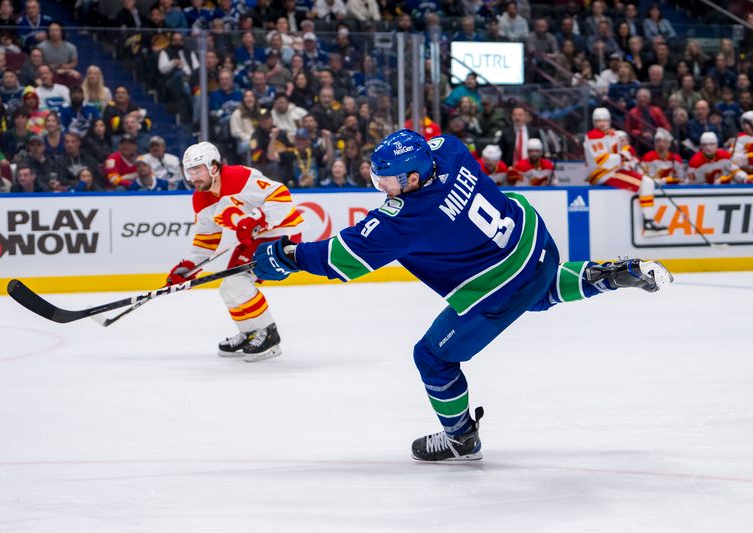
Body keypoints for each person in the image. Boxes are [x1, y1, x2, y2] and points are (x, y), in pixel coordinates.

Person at [251, 129, 674, 462]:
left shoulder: (410, 216)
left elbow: (342, 259)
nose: (381, 185)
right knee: (540, 291)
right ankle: (611, 274)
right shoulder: (448, 149)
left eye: (389, 179)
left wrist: (286, 256)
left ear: (414, 178)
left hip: (502, 278)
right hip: (533, 241)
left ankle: (460, 439)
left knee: (432, 357)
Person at [167, 142, 304, 362]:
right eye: (189, 171)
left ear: (213, 167)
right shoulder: (201, 199)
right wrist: (189, 266)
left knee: (237, 283)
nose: (193, 176)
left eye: (197, 169)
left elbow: (281, 196)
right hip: (254, 239)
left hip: (282, 233)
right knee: (227, 288)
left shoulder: (239, 177)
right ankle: (250, 332)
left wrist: (257, 218)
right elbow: (206, 239)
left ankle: (269, 335)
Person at [584, 108, 668, 236]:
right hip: (602, 174)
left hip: (613, 171)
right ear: (594, 122)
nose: (601, 123)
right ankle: (649, 223)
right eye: (598, 121)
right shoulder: (594, 136)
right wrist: (623, 157)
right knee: (646, 183)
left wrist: (625, 156)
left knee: (647, 182)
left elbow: (617, 154)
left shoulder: (610, 134)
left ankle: (649, 221)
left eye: (604, 120)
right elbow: (603, 161)